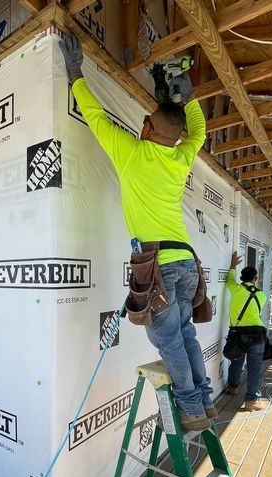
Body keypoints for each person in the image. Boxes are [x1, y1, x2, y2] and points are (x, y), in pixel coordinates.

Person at [59, 34, 214, 431]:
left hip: (161, 266)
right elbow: (197, 131)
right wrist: (190, 98)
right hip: (186, 262)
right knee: (185, 336)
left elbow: (93, 114)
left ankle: (192, 408)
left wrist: (75, 73)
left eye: (145, 122)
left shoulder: (132, 153)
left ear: (147, 127)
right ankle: (204, 401)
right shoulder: (181, 157)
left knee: (170, 341)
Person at [225, 251, 268, 411]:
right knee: (254, 367)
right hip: (257, 334)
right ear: (255, 279)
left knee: (236, 360)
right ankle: (251, 401)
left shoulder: (235, 288)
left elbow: (229, 280)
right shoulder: (262, 296)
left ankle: (233, 387)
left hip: (238, 333)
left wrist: (232, 265)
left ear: (241, 278)